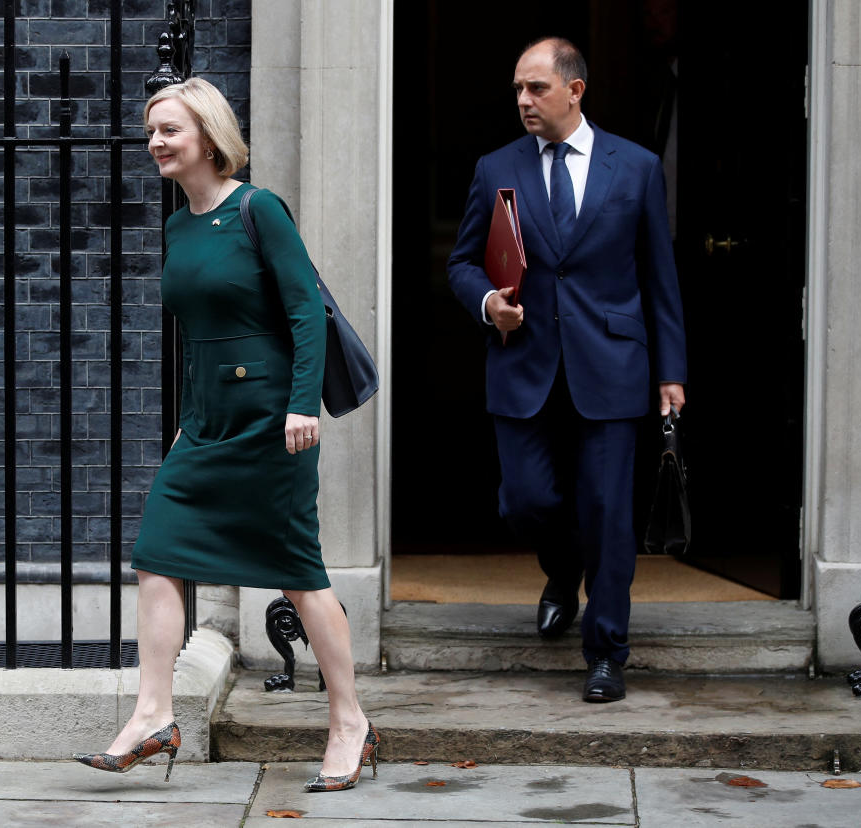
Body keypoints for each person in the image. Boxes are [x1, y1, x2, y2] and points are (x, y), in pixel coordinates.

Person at [72, 77, 378, 791]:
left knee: (299, 574)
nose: (155, 143)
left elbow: (305, 311)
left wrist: (303, 404)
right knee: (156, 553)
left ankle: (349, 722)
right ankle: (153, 713)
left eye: (168, 130)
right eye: (151, 132)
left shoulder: (258, 209)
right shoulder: (179, 226)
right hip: (207, 425)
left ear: (208, 137)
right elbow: (196, 339)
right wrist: (188, 422)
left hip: (274, 422)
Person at [446, 37, 686, 702]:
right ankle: (561, 568)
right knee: (526, 500)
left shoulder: (634, 168)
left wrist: (672, 370)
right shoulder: (498, 167)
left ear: (575, 90)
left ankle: (607, 651)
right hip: (522, 367)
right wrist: (487, 301)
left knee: (609, 512)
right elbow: (463, 262)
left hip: (612, 364)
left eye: (537, 88)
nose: (523, 100)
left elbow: (658, 277)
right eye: (518, 89)